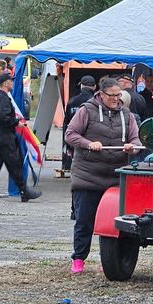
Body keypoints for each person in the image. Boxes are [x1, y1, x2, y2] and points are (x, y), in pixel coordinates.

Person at [65, 77, 141, 274]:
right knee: (84, 221)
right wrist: (88, 143)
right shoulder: (86, 110)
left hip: (115, 178)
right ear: (101, 94)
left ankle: (110, 259)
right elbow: (70, 134)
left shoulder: (127, 114)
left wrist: (132, 147)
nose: (117, 99)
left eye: (118, 95)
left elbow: (136, 139)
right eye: (112, 95)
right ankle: (79, 259)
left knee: (117, 223)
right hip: (88, 177)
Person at [0, 73, 42, 202]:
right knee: (14, 165)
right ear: (6, 83)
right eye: (10, 81)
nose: (12, 83)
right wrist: (16, 122)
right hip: (5, 138)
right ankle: (24, 191)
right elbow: (3, 117)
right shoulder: (3, 99)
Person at [63, 75, 96, 220]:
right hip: (94, 146)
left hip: (76, 146)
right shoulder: (96, 103)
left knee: (77, 179)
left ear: (81, 85)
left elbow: (66, 127)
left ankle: (74, 210)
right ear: (94, 87)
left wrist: (68, 147)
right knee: (93, 179)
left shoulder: (72, 102)